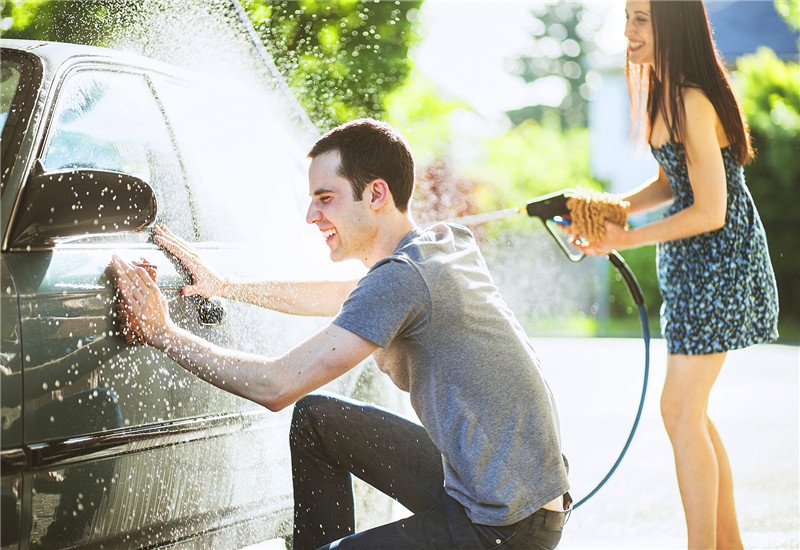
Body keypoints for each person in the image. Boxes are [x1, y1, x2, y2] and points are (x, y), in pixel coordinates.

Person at [111, 118, 571, 549]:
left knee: (302, 404)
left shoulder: (402, 278)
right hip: (504, 490)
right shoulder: (437, 249)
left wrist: (161, 331)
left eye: (325, 197)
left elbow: (277, 386)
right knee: (318, 420)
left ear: (375, 194)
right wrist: (225, 286)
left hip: (503, 525)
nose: (311, 214)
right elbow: (343, 296)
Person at [576, 1, 779, 548]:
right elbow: (673, 184)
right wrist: (613, 209)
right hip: (692, 268)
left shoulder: (691, 97)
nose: (627, 31)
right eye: (627, 17)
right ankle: (727, 544)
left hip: (721, 265)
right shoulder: (664, 93)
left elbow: (711, 210)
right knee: (691, 414)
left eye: (642, 18)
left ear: (674, 23)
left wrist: (627, 238)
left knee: (680, 411)